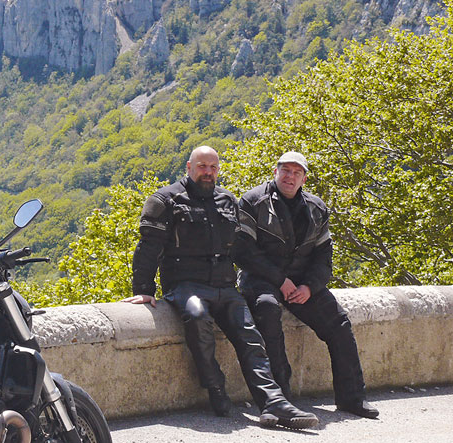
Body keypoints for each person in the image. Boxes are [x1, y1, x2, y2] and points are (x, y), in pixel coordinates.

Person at [123, 145, 317, 428]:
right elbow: (148, 248)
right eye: (202, 166)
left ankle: (273, 403)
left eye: (213, 167)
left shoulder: (228, 200)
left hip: (225, 287)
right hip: (185, 286)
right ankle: (215, 387)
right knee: (197, 318)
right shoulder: (165, 200)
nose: (208, 172)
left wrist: (274, 278)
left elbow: (241, 248)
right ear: (189, 167)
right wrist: (143, 290)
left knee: (251, 338)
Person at [234, 151, 379, 418]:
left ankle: (352, 399)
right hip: (260, 279)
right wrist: (280, 280)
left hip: (302, 282)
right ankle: (281, 399)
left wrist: (310, 287)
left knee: (339, 322)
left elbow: (324, 257)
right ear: (275, 172)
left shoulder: (316, 208)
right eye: (285, 171)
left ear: (304, 178)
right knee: (267, 310)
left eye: (296, 172)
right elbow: (243, 253)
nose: (290, 177)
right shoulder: (252, 201)